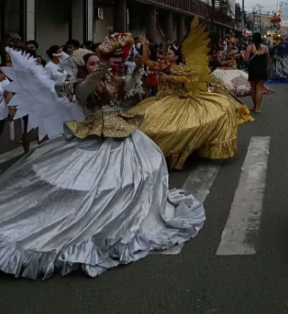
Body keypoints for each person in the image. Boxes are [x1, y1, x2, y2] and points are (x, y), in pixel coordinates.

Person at [0, 39, 205, 280]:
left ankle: (129, 212)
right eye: (93, 62)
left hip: (121, 129)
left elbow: (125, 87)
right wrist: (103, 65)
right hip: (95, 134)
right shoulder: (78, 84)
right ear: (84, 66)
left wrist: (138, 68)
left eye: (98, 61)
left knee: (146, 166)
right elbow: (87, 88)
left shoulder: (110, 79)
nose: (98, 65)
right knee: (95, 181)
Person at [128, 18, 239, 170]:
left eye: (169, 53)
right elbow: (147, 61)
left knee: (178, 128)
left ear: (176, 56)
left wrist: (169, 77)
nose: (166, 55)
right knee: (146, 125)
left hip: (177, 100)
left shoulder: (179, 68)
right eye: (166, 52)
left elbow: (190, 77)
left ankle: (175, 152)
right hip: (161, 100)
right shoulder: (162, 65)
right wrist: (145, 45)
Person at [244, 32, 269, 114]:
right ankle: (257, 108)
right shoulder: (265, 48)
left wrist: (242, 55)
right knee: (259, 88)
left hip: (253, 69)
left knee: (253, 88)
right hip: (262, 69)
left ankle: (254, 106)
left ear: (253, 38)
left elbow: (246, 59)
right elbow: (267, 59)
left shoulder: (250, 47)